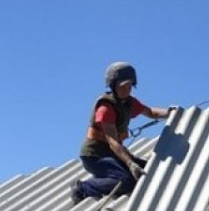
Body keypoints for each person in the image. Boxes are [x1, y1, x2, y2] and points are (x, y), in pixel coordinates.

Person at [71, 62, 173, 203]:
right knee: (126, 181)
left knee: (147, 169)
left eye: (130, 86)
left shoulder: (129, 103)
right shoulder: (105, 108)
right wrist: (130, 164)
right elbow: (113, 142)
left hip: (111, 154)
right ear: (113, 86)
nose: (127, 90)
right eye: (123, 86)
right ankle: (84, 187)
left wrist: (170, 112)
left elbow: (150, 112)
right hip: (94, 156)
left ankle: (105, 179)